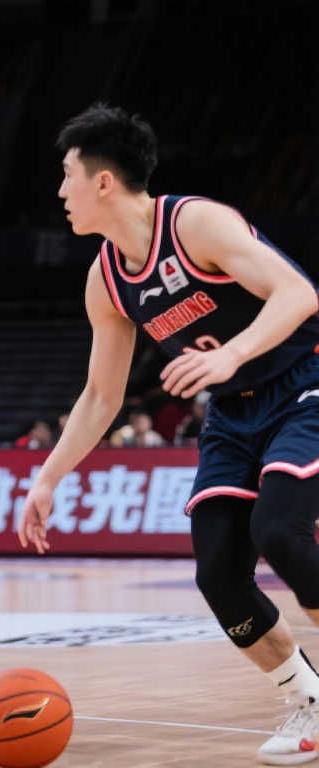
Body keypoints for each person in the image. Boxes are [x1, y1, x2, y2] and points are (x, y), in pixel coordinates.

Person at [20, 104, 319, 765]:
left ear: (103, 181)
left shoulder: (194, 224)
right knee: (219, 573)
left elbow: (299, 294)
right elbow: (102, 396)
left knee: (280, 531)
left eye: (67, 174)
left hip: (304, 381)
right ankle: (310, 699)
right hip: (234, 414)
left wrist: (231, 354)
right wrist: (47, 478)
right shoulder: (106, 279)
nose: (60, 190)